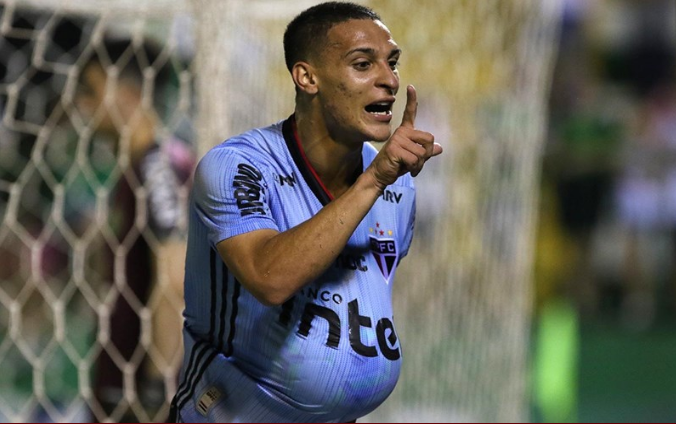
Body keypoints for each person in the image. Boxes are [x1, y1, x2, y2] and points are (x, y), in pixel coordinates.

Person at [170, 2, 442, 422]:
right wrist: (373, 181)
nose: (389, 80)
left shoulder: (399, 186)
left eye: (391, 63)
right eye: (363, 64)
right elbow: (269, 278)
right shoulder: (238, 166)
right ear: (307, 77)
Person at [74, 36, 195, 420]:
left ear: (128, 94)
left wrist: (156, 393)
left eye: (91, 90)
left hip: (141, 401)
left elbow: (173, 279)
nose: (82, 104)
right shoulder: (139, 166)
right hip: (121, 389)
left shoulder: (158, 165)